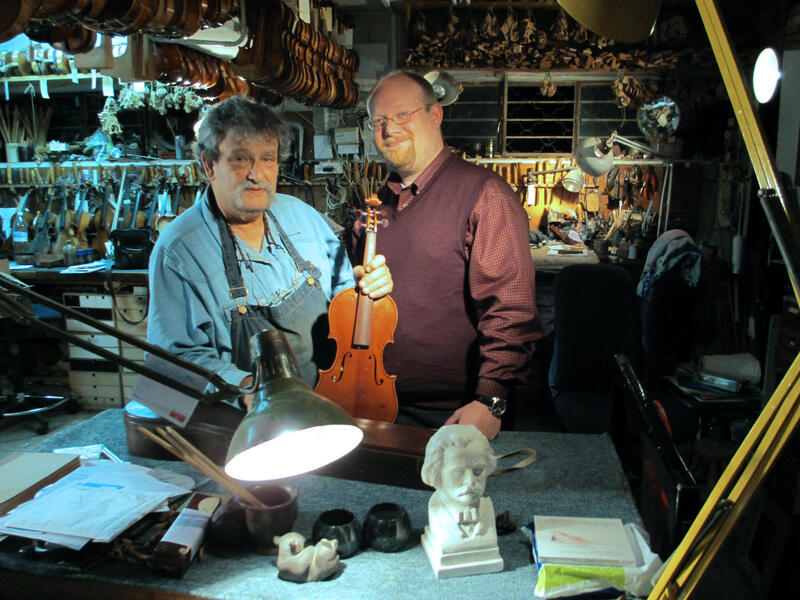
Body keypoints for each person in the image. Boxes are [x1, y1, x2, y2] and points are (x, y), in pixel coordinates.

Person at [147, 96, 392, 407]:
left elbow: (346, 294)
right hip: (249, 418)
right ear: (209, 165)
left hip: (329, 402)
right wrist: (247, 388)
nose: (257, 174)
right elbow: (173, 361)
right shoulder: (178, 252)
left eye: (268, 158)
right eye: (240, 159)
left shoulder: (303, 217)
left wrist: (366, 289)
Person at [359, 70, 541, 439]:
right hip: (377, 400)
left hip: (456, 412)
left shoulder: (485, 195)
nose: (389, 129)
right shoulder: (379, 203)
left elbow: (510, 310)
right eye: (379, 121)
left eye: (402, 115)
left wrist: (490, 398)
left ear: (435, 114)